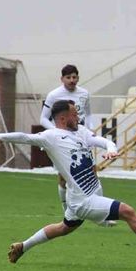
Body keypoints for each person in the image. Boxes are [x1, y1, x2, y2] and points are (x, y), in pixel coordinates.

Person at [0, 100, 136, 263]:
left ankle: (22, 246)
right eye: (74, 114)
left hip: (87, 194)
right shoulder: (51, 137)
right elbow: (25, 137)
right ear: (63, 118)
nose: (78, 117)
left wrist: (111, 149)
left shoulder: (80, 131)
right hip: (83, 201)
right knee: (128, 211)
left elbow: (103, 141)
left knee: (63, 227)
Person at [40, 64, 92, 216]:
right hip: (62, 141)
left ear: (78, 78)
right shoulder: (54, 95)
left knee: (91, 174)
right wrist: (57, 132)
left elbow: (88, 115)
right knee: (64, 177)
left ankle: (100, 212)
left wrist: (89, 131)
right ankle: (66, 209)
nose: (71, 80)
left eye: (74, 77)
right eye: (68, 77)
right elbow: (43, 118)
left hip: (81, 138)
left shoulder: (84, 93)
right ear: (62, 79)